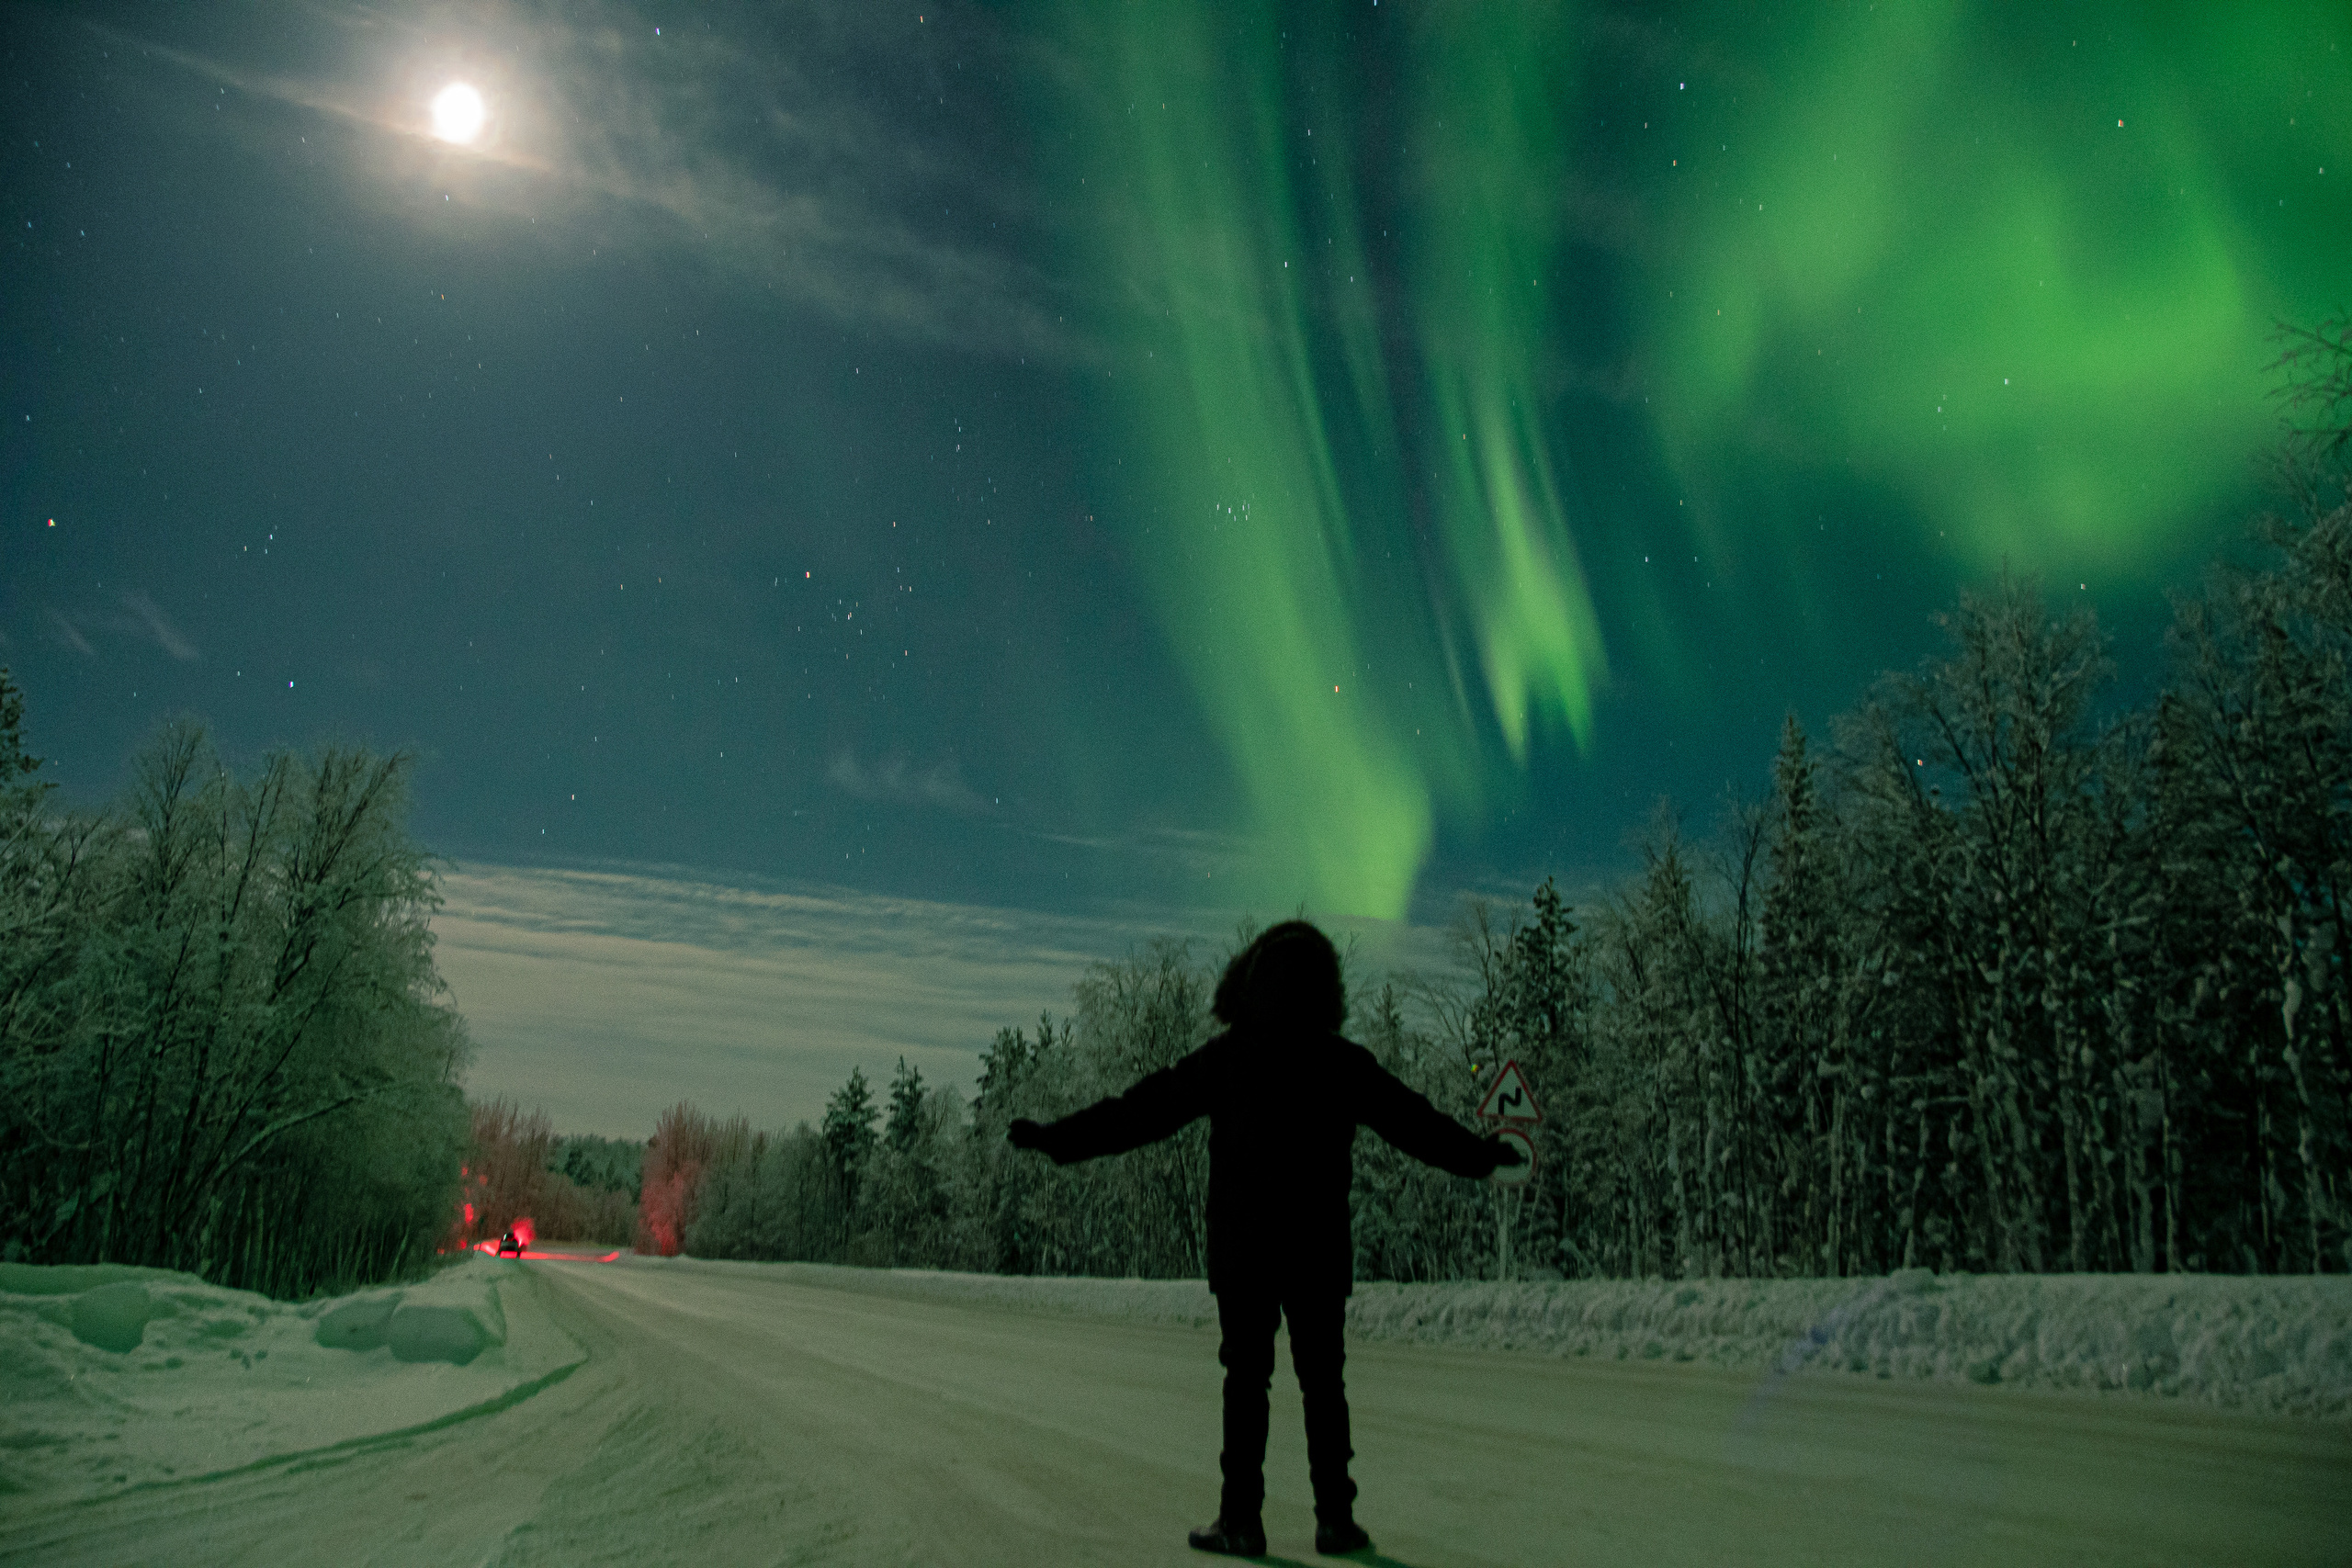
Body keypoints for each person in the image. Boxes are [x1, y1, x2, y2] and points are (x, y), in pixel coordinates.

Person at [1009, 919, 1522, 1559]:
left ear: (1251, 982)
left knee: (1246, 1381)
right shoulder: (1342, 1063)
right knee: (1323, 1383)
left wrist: (1058, 1139)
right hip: (1318, 1250)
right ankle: (1336, 1520)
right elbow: (1414, 1122)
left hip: (1245, 1251)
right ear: (1324, 989)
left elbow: (1139, 1111)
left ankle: (1241, 1521)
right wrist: (1480, 1156)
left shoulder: (1228, 1058)